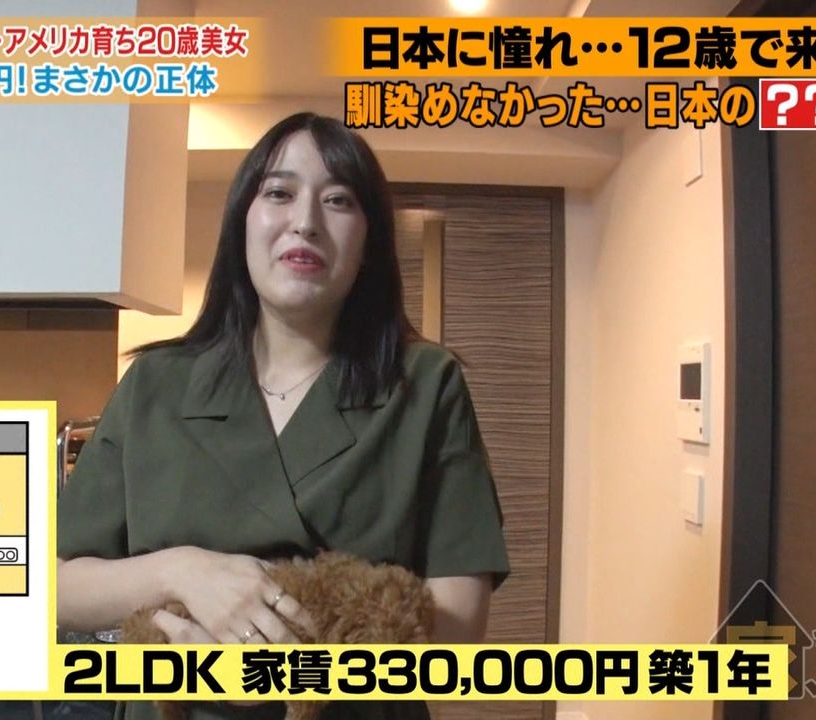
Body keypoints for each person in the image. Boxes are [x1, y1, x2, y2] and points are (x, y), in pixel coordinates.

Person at [56, 112, 510, 720]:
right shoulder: (154, 385)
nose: (306, 221)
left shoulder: (426, 385)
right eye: (279, 193)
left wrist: (298, 663)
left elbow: (459, 629)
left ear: (369, 242)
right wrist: (181, 573)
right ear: (242, 222)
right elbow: (56, 582)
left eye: (338, 200)